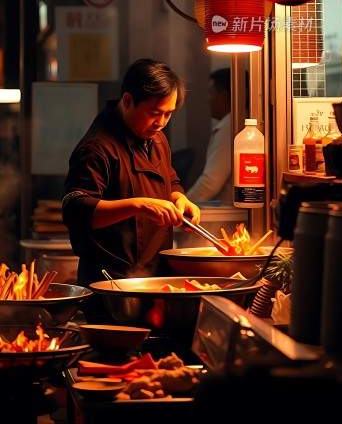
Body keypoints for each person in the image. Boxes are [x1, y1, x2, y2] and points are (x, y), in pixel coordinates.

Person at [62, 58, 201, 320]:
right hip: (111, 286)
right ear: (128, 101)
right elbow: (75, 208)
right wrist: (139, 204)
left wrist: (180, 198)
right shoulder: (97, 147)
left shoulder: (155, 138)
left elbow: (169, 179)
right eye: (154, 112)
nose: (161, 122)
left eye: (168, 114)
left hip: (154, 277)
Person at [186, 68, 233, 204]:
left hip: (227, 216)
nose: (207, 100)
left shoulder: (230, 126)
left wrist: (183, 207)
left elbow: (210, 182)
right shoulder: (229, 124)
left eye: (210, 94)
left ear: (223, 96)